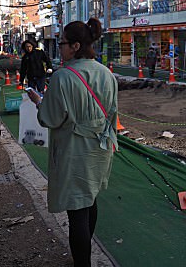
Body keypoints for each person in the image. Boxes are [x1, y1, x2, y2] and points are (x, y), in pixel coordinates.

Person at [26, 18, 117, 267]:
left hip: (74, 150)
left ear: (75, 46)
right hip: (100, 147)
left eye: (62, 42)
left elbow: (50, 118)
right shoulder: (106, 74)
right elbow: (112, 113)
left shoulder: (63, 77)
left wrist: (38, 101)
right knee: (91, 198)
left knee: (77, 208)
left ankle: (82, 263)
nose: (60, 47)